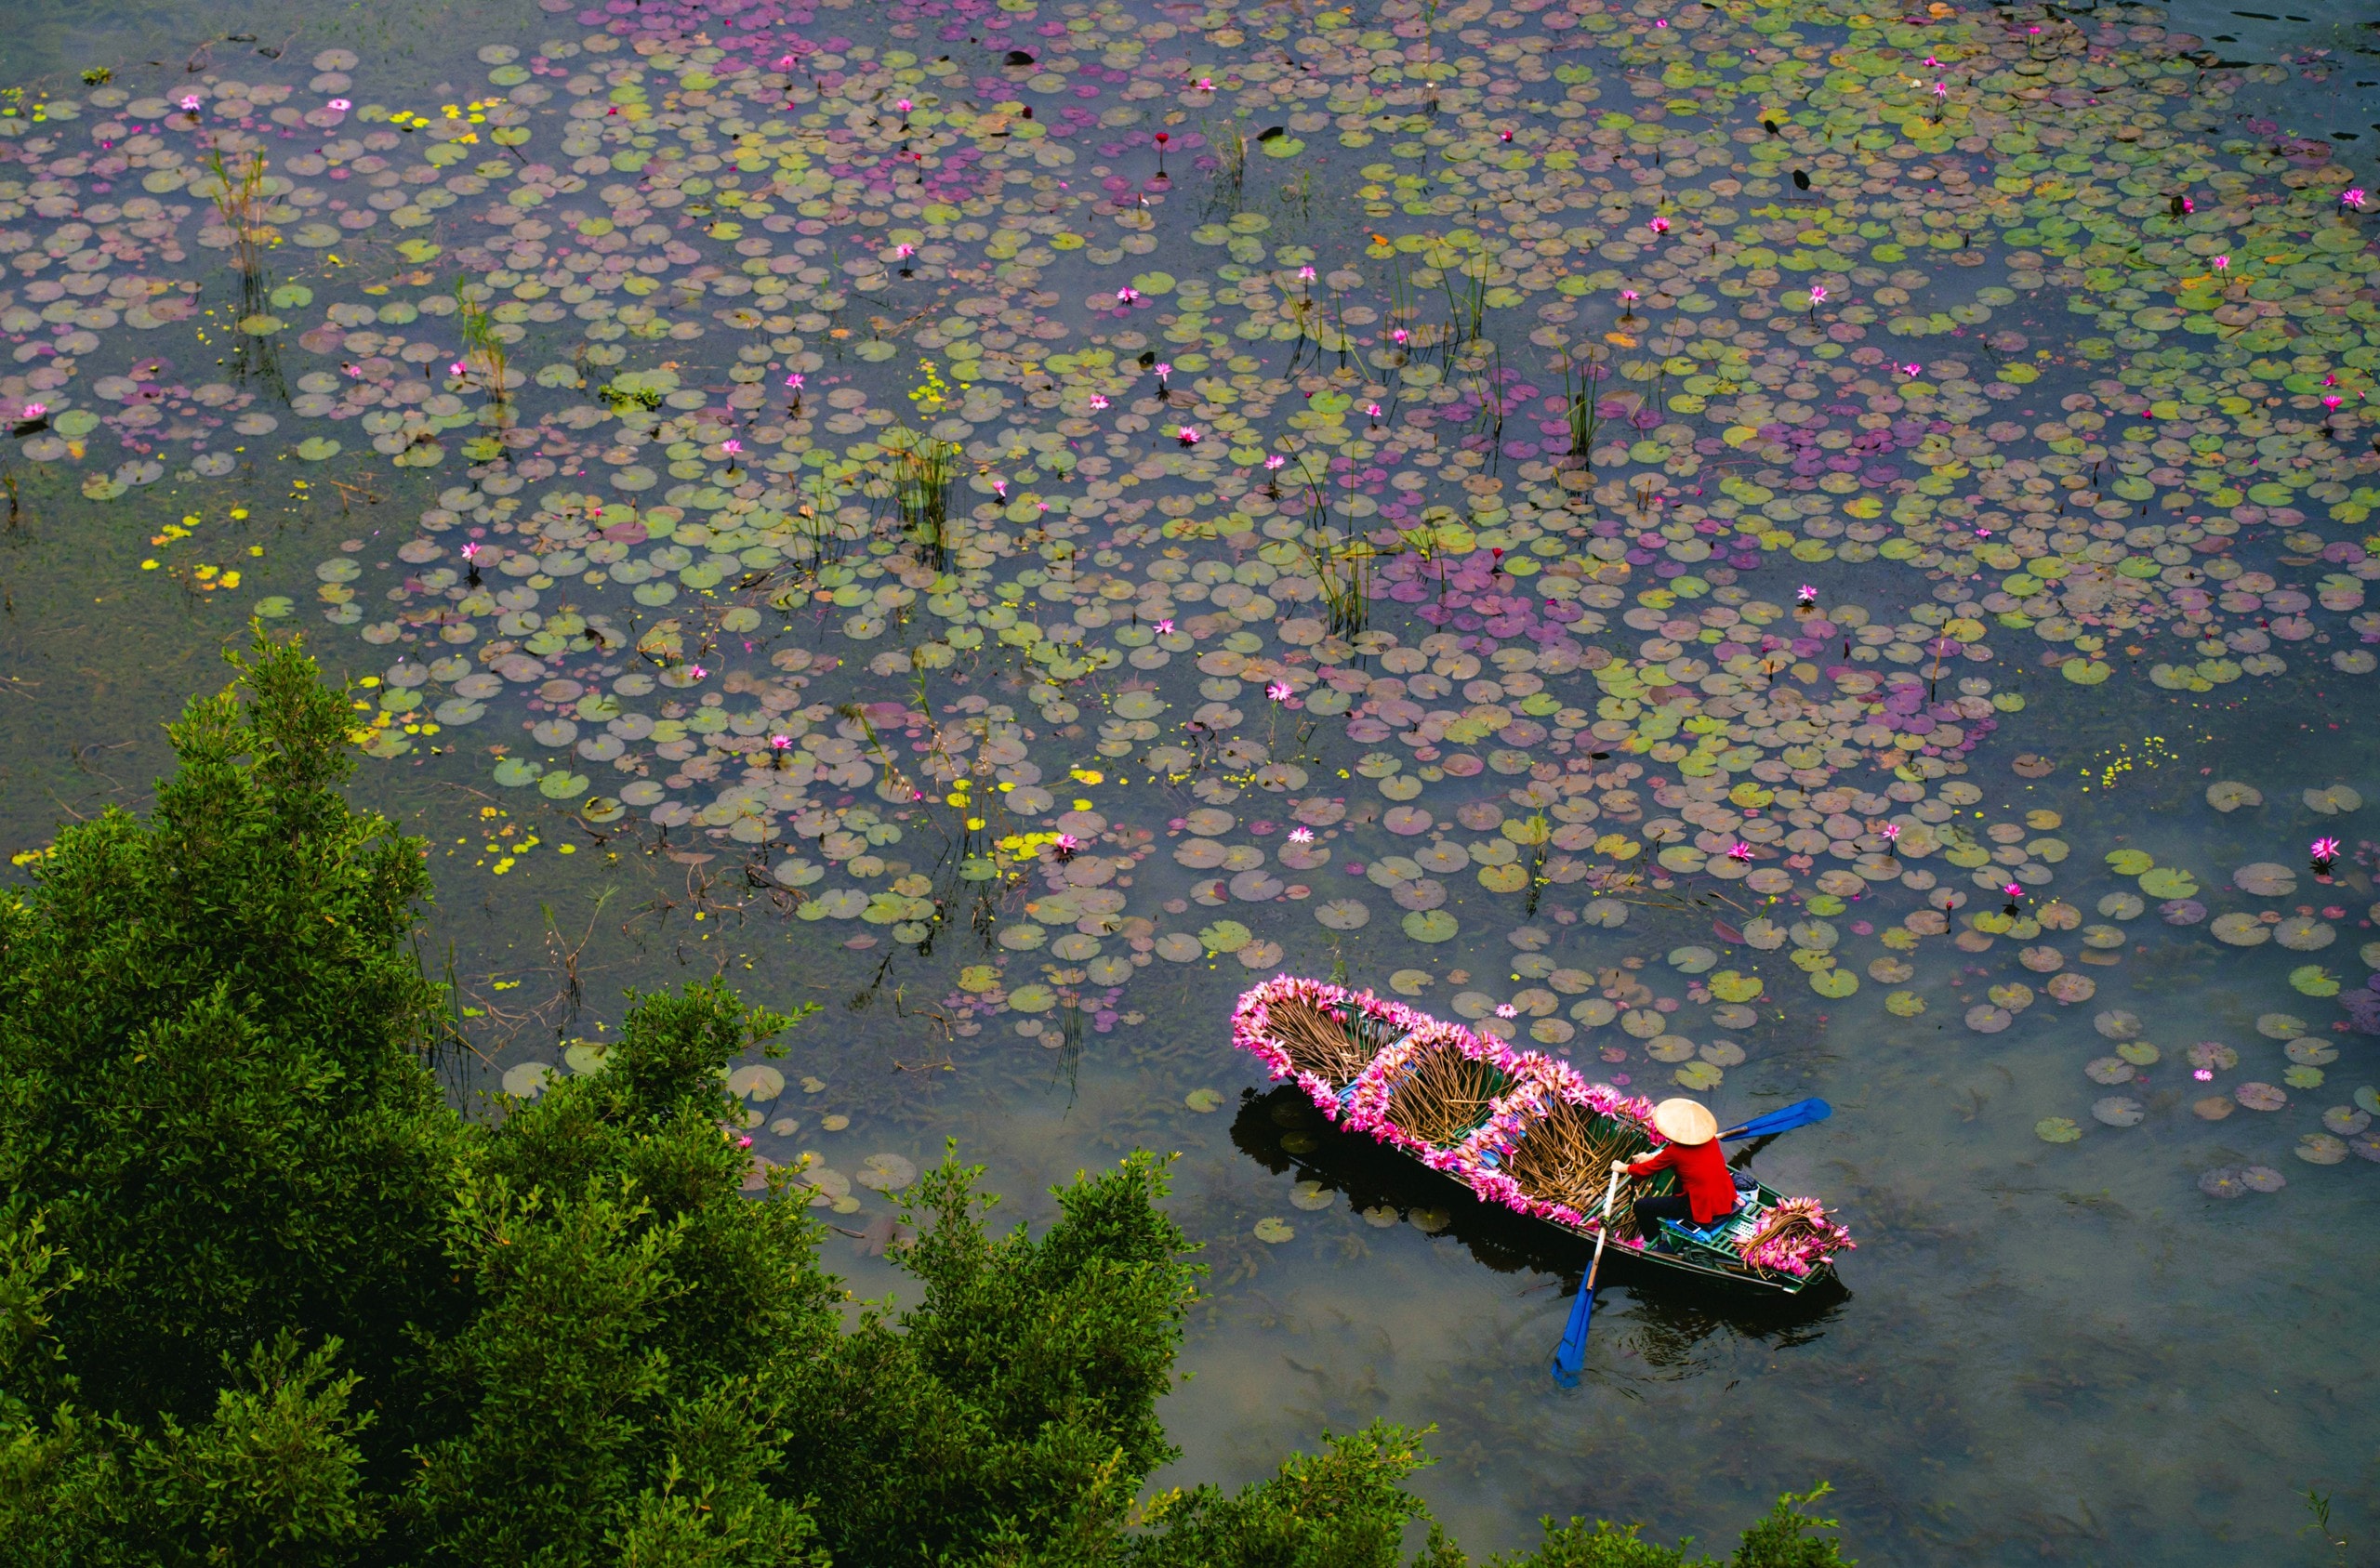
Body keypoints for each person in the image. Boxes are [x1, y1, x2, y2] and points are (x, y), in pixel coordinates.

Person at [1614, 1099, 1738, 1251]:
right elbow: (1676, 1158)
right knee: (1681, 1173)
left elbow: (1645, 1170)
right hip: (1724, 1194)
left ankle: (1655, 1243)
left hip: (1700, 1205)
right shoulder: (1710, 1140)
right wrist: (1650, 1157)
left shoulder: (1675, 1152)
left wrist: (1623, 1167)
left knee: (1641, 1206)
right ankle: (1674, 1217)